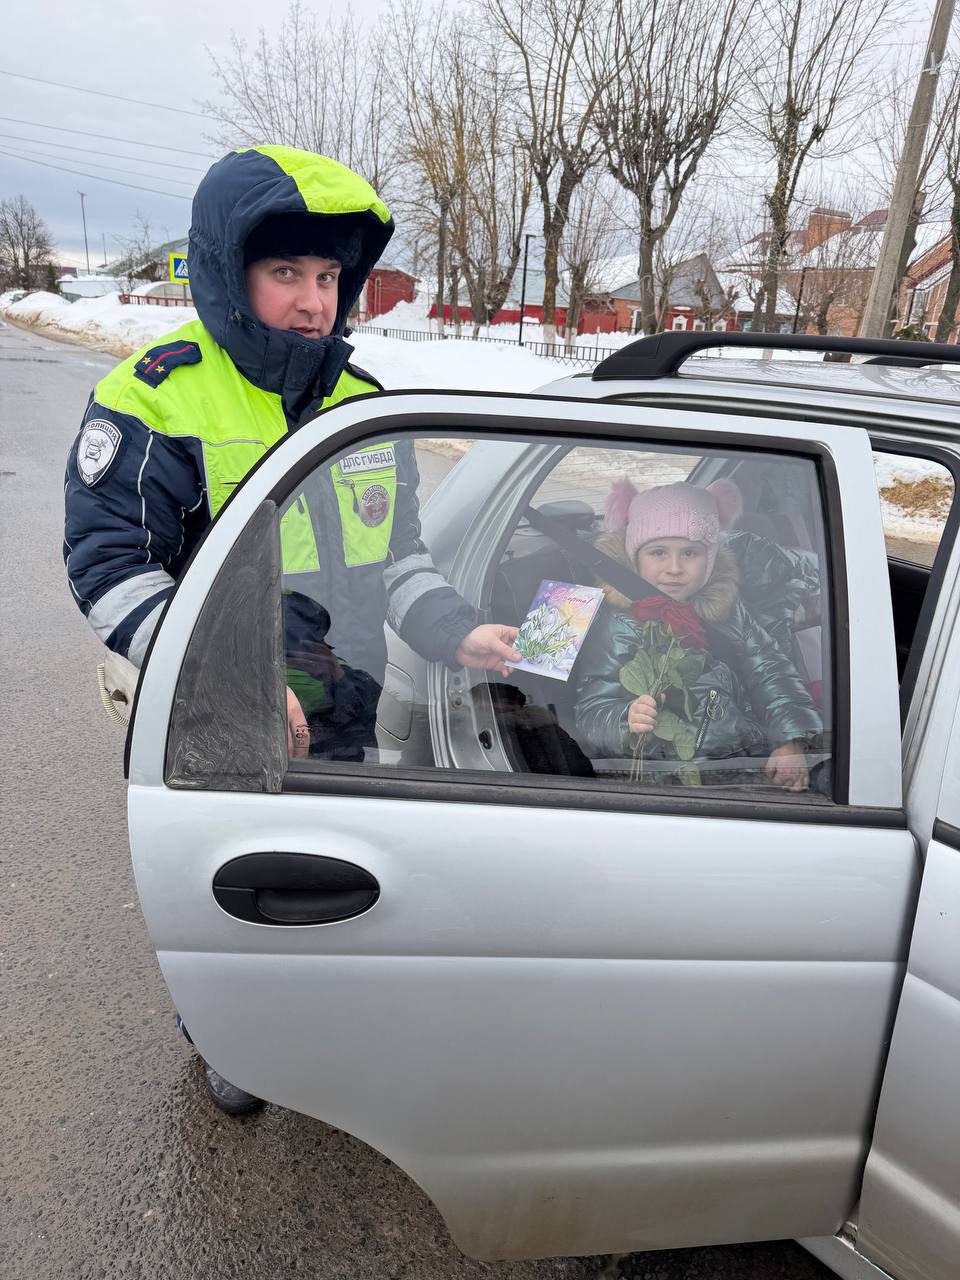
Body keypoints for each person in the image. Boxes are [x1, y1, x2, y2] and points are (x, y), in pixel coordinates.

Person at [64, 144, 519, 1112]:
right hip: (219, 716)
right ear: (231, 273)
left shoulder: (363, 409)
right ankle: (227, 1033)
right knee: (231, 900)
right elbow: (110, 569)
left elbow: (405, 563)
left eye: (328, 276)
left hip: (338, 702)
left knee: (332, 887)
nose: (316, 302)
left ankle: (319, 1014)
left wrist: (457, 631)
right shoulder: (155, 396)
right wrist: (223, 681)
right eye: (287, 274)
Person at [573, 478, 822, 789]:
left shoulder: (727, 608)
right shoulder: (620, 625)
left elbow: (770, 669)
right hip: (674, 780)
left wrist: (790, 739)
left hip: (748, 759)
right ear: (635, 556)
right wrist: (626, 719)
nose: (674, 568)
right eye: (658, 552)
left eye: (690, 553)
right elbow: (592, 711)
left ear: (711, 558)